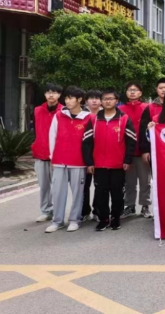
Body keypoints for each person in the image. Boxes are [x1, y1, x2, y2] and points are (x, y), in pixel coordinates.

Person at [82, 88, 136, 231]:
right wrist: (89, 162)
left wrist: (127, 160)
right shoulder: (94, 119)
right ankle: (103, 219)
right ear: (101, 101)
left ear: (116, 101)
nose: (108, 101)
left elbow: (131, 141)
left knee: (117, 193)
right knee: (101, 193)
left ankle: (116, 218)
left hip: (118, 164)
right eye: (105, 99)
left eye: (111, 99)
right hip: (99, 164)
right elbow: (87, 142)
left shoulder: (124, 118)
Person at [45, 86, 94, 233]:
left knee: (78, 193)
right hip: (59, 160)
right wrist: (52, 157)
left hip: (79, 162)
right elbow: (52, 136)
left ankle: (74, 220)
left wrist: (90, 161)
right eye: (66, 98)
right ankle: (57, 221)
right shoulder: (59, 115)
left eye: (71, 98)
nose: (67, 101)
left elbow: (92, 141)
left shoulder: (89, 117)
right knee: (58, 192)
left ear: (79, 99)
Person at [138, 77, 165, 219]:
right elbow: (143, 130)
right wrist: (145, 150)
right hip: (156, 151)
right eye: (161, 88)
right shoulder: (150, 108)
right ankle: (155, 209)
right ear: (156, 90)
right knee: (156, 180)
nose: (163, 90)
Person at [32, 83, 63, 223]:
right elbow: (36, 131)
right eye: (48, 92)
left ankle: (57, 212)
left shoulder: (64, 111)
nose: (51, 95)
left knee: (57, 187)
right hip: (40, 153)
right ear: (44, 94)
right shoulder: (37, 110)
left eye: (54, 92)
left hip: (58, 155)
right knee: (44, 186)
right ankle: (45, 211)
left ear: (59, 95)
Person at [119, 82, 149, 220]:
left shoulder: (146, 108)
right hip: (127, 152)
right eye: (130, 90)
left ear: (140, 93)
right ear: (126, 92)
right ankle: (129, 205)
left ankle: (145, 205)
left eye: (135, 90)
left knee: (145, 181)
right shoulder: (120, 109)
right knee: (129, 182)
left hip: (143, 150)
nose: (132, 92)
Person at [82, 89, 103, 221]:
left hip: (101, 155)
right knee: (84, 186)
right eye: (91, 98)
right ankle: (84, 211)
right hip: (84, 155)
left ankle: (97, 211)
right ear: (86, 101)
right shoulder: (81, 115)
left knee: (100, 186)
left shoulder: (106, 114)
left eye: (97, 98)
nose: (94, 100)